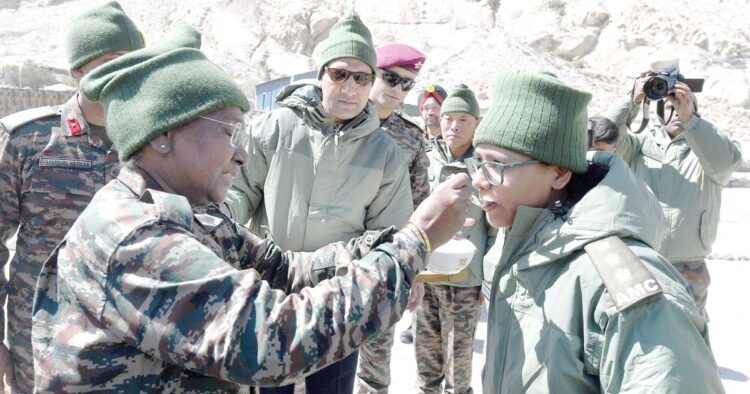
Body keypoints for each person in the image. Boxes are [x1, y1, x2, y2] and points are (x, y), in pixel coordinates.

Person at [31, 25, 472, 393]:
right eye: (228, 132)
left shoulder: (191, 212)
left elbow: (283, 268)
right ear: (163, 137)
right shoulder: (138, 237)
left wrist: (387, 242)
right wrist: (415, 242)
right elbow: (272, 340)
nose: (241, 156)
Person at [469, 72, 724, 392]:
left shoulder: (621, 285)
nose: (479, 179)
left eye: (496, 164)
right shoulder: (520, 249)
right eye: (477, 162)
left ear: (559, 172)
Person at [226, 10, 413, 394]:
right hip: (274, 291)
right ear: (321, 75)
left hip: (341, 299)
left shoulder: (385, 154)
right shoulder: (275, 127)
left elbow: (389, 233)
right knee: (270, 386)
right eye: (339, 74)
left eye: (362, 78)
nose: (349, 88)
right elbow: (238, 193)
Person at [0, 2, 144, 392]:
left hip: (132, 343)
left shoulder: (155, 143)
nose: (120, 73)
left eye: (129, 62)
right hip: (42, 339)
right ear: (78, 71)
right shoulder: (28, 140)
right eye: (107, 62)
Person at [604, 69, 743, 319]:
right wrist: (632, 99)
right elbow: (603, 136)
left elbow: (727, 161)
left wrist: (690, 118)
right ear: (658, 113)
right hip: (641, 258)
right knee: (637, 328)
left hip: (688, 266)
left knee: (689, 332)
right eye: (668, 106)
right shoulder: (638, 146)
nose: (675, 111)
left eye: (680, 104)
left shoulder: (708, 150)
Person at [356, 43, 431, 394]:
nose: (398, 89)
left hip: (384, 261)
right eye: (391, 78)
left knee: (375, 365)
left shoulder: (412, 138)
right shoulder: (342, 123)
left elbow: (420, 208)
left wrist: (415, 272)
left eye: (407, 84)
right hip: (330, 256)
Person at [416, 84, 494, 394]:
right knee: (425, 360)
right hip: (427, 273)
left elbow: (496, 228)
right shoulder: (426, 157)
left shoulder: (487, 165)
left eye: (463, 119)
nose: (453, 126)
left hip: (465, 280)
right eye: (449, 118)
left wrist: (487, 281)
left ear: (476, 124)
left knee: (457, 367)